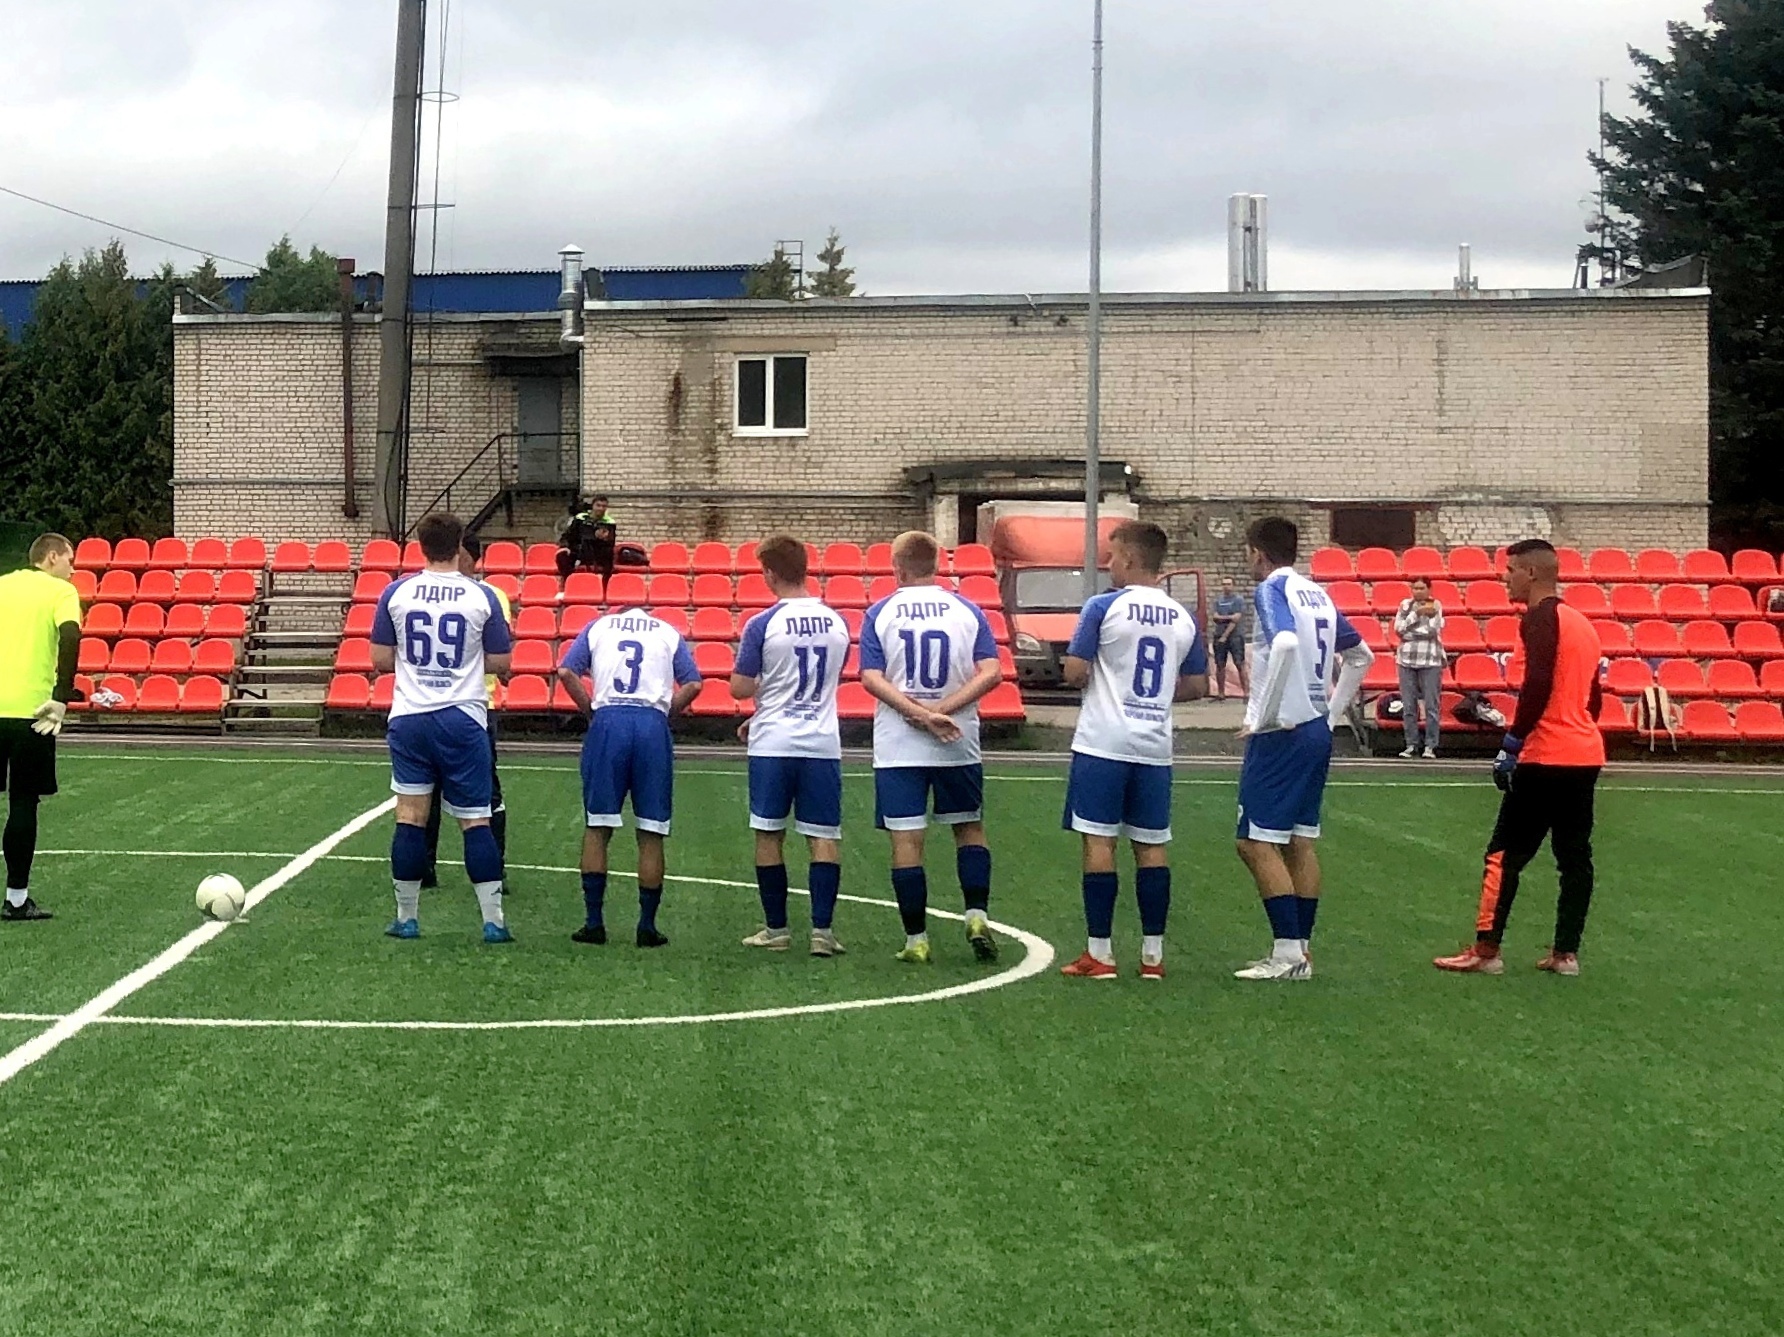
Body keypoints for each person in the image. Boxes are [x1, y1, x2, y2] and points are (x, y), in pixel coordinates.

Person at [1435, 538, 1606, 977]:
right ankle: (1566, 954)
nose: (1505, 577)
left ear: (1530, 573)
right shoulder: (1582, 624)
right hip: (1584, 754)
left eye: (1510, 570)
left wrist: (1512, 742)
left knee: (1504, 854)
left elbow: (1538, 685)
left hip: (1545, 755)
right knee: (1574, 857)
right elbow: (1594, 699)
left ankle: (1486, 950)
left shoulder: (1539, 618)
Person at [1057, 521, 1209, 980]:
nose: (1108, 564)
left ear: (1128, 558)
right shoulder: (1183, 617)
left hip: (1103, 742)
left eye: (1112, 555)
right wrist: (1155, 698)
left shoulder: (1103, 606)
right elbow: (1197, 685)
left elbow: (1074, 672)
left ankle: (1100, 954)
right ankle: (1153, 958)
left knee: (1099, 842)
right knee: (1152, 846)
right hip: (1154, 747)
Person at [1232, 517, 1374, 981]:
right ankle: (1301, 952)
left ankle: (1287, 954)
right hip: (1315, 728)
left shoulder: (1271, 589)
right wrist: (1330, 714)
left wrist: (1264, 715)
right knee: (1299, 839)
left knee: (1254, 841)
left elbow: (1285, 641)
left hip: (1284, 731)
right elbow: (1362, 656)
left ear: (1257, 553)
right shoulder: (1318, 594)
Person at [859, 531, 1003, 964]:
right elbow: (991, 672)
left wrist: (919, 714)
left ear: (897, 567)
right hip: (957, 740)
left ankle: (917, 940)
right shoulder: (967, 609)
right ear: (937, 564)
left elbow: (871, 678)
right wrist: (943, 709)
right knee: (969, 828)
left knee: (907, 840)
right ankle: (976, 916)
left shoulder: (881, 612)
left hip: (900, 744)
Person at [370, 512, 514, 943]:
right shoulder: (482, 596)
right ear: (460, 545)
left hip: (410, 717)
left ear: (420, 546)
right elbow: (501, 663)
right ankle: (493, 922)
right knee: (475, 820)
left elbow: (380, 660)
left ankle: (406, 918)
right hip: (462, 718)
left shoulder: (396, 592)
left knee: (410, 816)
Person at [557, 592, 702, 947]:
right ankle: (646, 927)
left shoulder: (599, 626)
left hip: (609, 720)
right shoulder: (666, 631)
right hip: (651, 724)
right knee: (651, 830)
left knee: (598, 824)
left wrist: (589, 709)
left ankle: (594, 923)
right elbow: (694, 683)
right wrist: (665, 714)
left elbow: (566, 670)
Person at [731, 535, 852, 956]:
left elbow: (740, 687)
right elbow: (827, 679)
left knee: (769, 833)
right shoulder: (836, 622)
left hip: (774, 742)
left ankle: (777, 929)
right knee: (823, 836)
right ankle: (823, 931)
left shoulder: (763, 624)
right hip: (821, 742)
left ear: (769, 572)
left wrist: (763, 699)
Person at [0, 533, 83, 922]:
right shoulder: (60, 591)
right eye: (69, 560)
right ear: (51, 557)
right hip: (33, 713)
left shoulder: (3, 585)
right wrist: (62, 696)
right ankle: (16, 900)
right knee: (22, 802)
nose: (72, 569)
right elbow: (71, 636)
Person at [421, 534, 511, 889]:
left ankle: (495, 867)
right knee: (426, 790)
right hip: (434, 704)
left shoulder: (490, 595)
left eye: (458, 554)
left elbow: (498, 656)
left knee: (485, 791)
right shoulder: (432, 591)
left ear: (471, 558)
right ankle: (424, 867)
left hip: (476, 705)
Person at [1393, 576, 1446, 759]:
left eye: (1422, 588)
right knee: (1409, 706)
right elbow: (1398, 629)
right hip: (1406, 661)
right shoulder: (1405, 605)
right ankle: (1411, 744)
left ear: (1429, 589)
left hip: (1430, 660)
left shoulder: (1435, 605)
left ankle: (1430, 745)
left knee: (1431, 706)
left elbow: (1432, 631)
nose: (1418, 591)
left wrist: (1410, 633)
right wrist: (1415, 615)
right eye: (1415, 588)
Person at [556, 495, 617, 581]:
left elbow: (611, 543)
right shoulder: (580, 519)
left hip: (598, 552)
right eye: (598, 505)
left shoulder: (609, 523)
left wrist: (603, 539)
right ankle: (568, 580)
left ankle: (604, 585)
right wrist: (565, 546)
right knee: (562, 556)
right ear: (593, 506)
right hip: (579, 550)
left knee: (609, 556)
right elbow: (569, 535)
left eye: (603, 506)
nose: (601, 508)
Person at [1209, 576, 1249, 698]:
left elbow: (1236, 620)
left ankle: (1246, 692)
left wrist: (1225, 635)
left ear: (1233, 585)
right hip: (1219, 635)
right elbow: (1215, 617)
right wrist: (1229, 617)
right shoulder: (1218, 600)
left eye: (1229, 584)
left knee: (1239, 663)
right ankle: (1221, 693)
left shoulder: (1238, 600)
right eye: (1224, 584)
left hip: (1235, 636)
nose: (1226, 586)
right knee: (1220, 665)